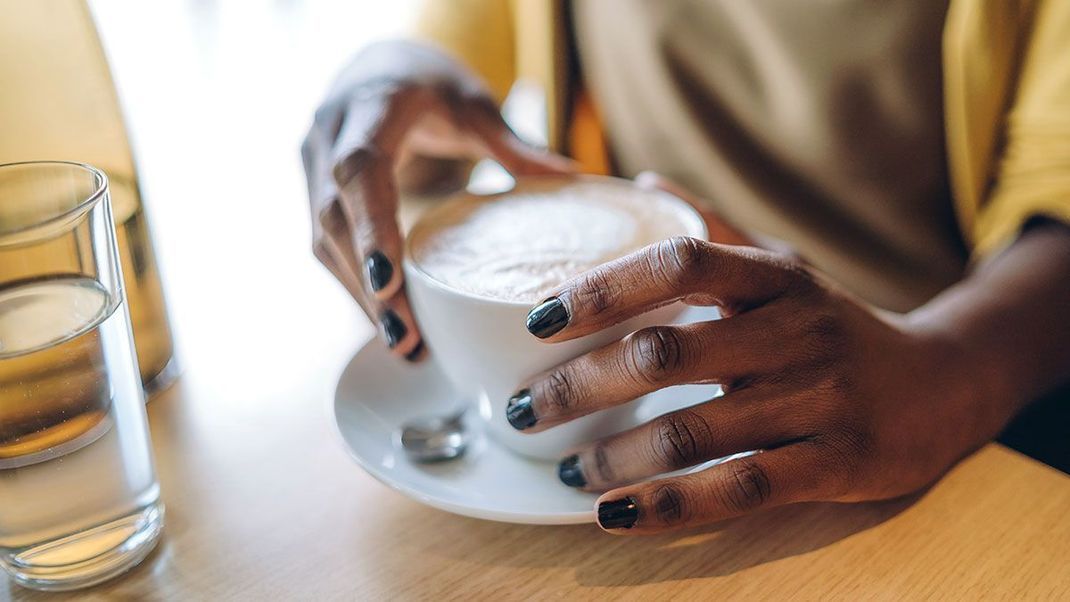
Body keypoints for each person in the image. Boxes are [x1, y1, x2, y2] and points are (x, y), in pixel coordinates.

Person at [301, 1, 1070, 534]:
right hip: (669, 364)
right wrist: (386, 74)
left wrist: (952, 367)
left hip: (923, 384)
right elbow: (450, 54)